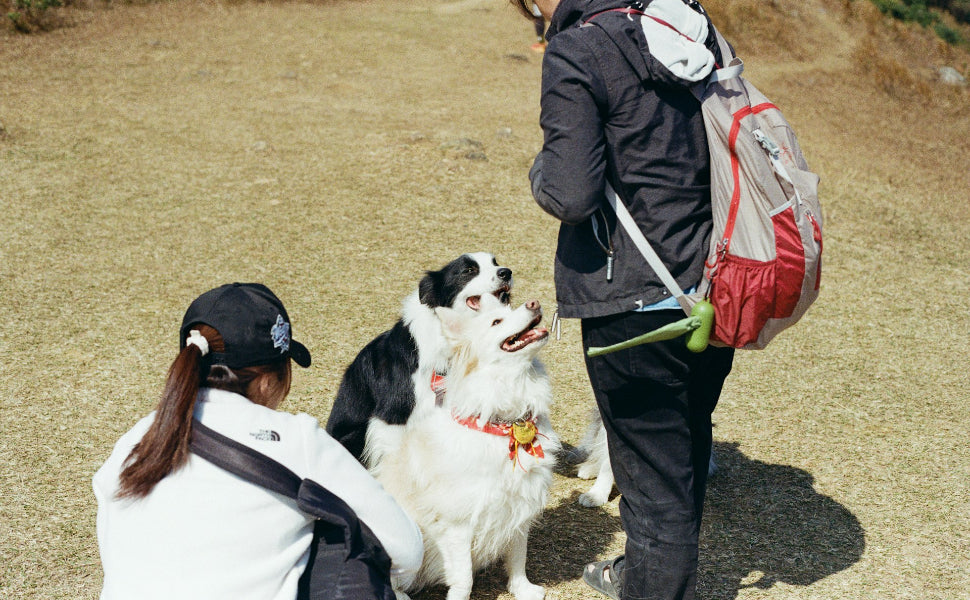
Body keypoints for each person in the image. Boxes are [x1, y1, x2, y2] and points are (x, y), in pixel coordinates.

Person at [508, 0, 736, 599]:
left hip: (635, 305)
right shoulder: (691, 25)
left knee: (654, 479)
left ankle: (653, 584)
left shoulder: (580, 50)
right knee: (681, 445)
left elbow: (570, 191)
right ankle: (642, 572)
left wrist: (539, 171)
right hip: (717, 289)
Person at [93, 282, 423, 600]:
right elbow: (405, 548)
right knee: (340, 539)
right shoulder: (298, 440)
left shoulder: (138, 437)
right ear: (267, 381)